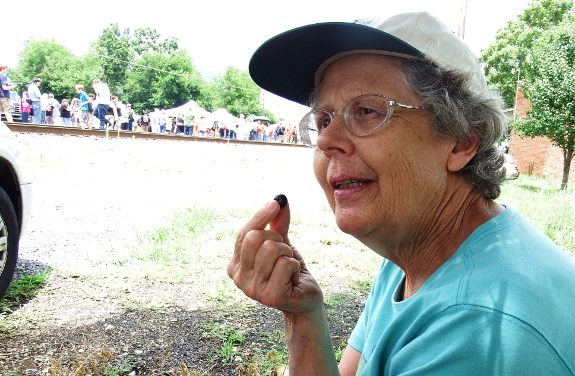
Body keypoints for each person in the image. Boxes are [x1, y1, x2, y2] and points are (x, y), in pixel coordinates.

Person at [227, 11, 575, 376]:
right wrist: (303, 314)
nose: (327, 140)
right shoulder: (414, 255)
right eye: (323, 120)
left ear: (461, 141)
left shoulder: (475, 326)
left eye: (367, 110)